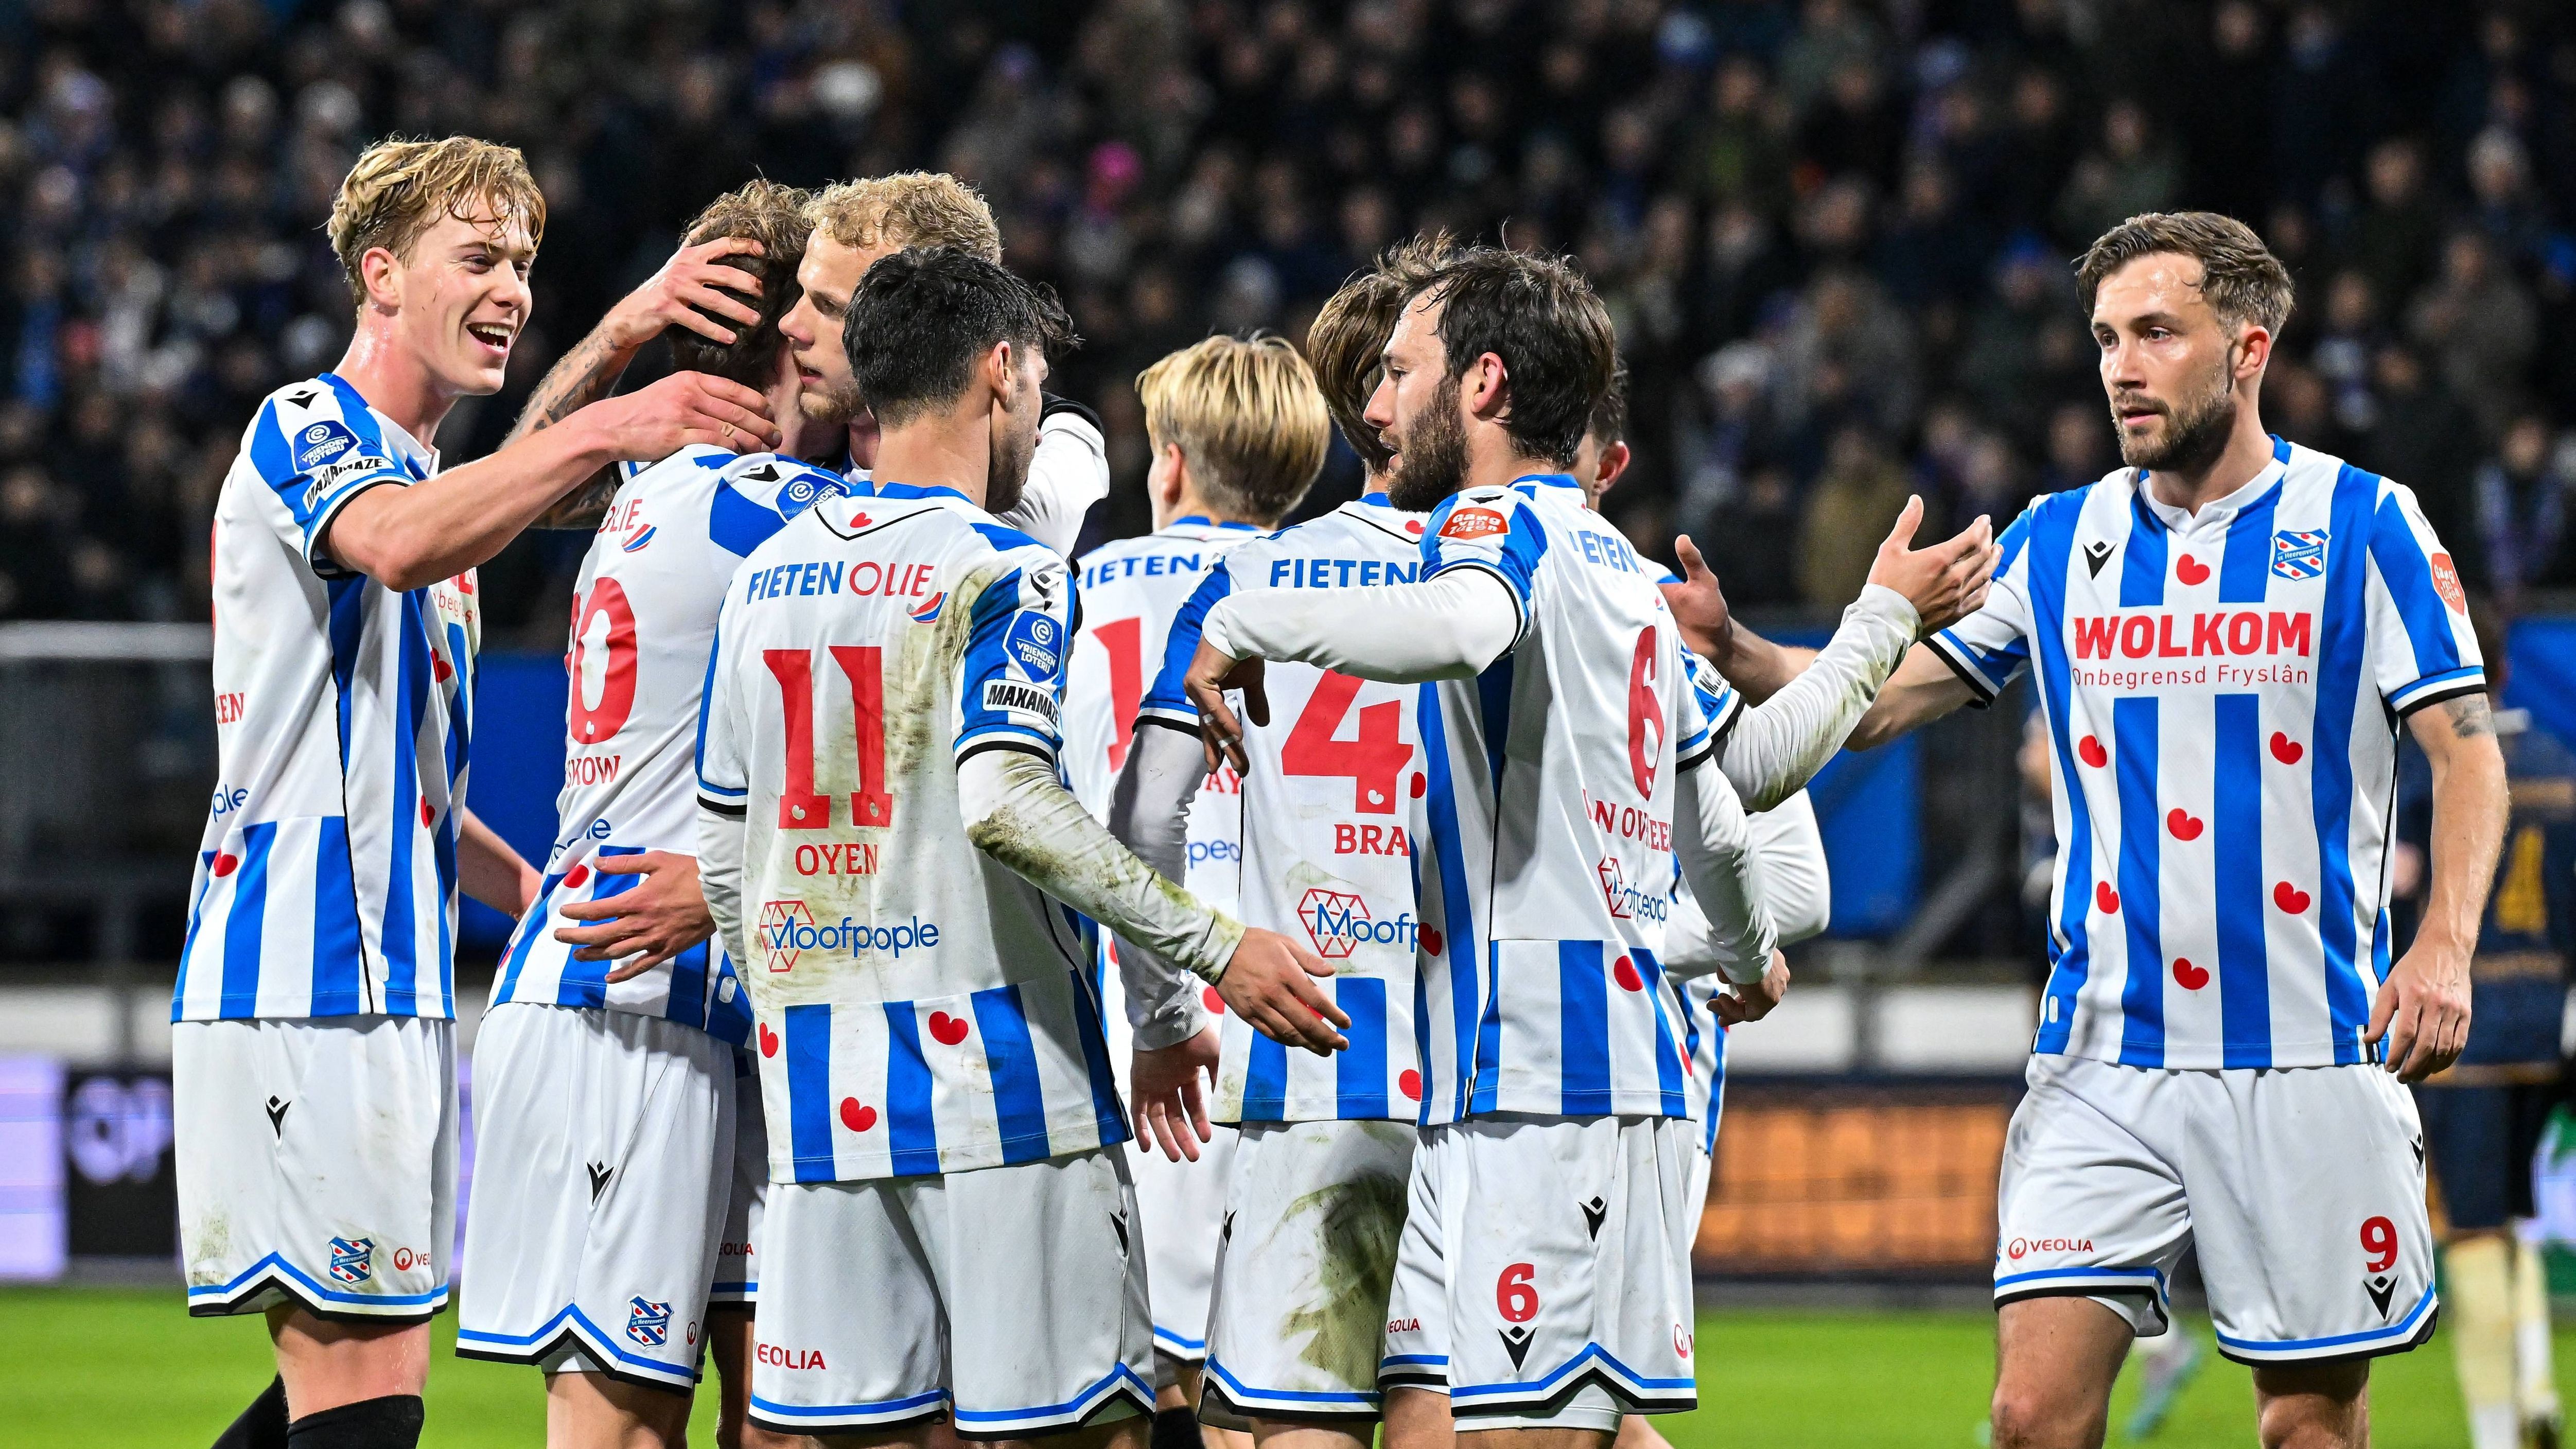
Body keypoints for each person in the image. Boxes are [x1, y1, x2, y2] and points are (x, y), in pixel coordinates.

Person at [1178, 245, 1989, 1446]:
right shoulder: (1622, 574)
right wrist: (1875, 628)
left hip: (1541, 1085)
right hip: (1595, 1080)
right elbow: (1748, 778)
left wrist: (1243, 617)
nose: (1379, 406)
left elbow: (1463, 625)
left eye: (1402, 372)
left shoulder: (1497, 526)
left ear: (1483, 384)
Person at [1812, 211, 2508, 1449]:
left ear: (2248, 350)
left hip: (2308, 1049)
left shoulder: (2368, 524)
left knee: (2305, 1430)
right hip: (2107, 1055)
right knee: (2031, 1417)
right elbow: (1867, 709)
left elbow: (2467, 753)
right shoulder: (2057, 536)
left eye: (2155, 334)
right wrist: (1737, 652)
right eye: (2105, 339)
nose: (2121, 368)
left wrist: (2445, 945)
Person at [176, 135, 779, 1449]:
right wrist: (620, 414)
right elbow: (395, 542)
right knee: (369, 1402)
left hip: (384, 981)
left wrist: (541, 895)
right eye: (480, 257)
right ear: (381, 275)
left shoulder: (431, 486)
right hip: (298, 975)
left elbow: (421, 805)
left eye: (526, 264)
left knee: (340, 1398)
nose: (512, 288)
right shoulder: (307, 424)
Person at [691, 245, 1346, 1445]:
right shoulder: (1006, 571)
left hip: (826, 1098)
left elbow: (728, 863)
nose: (1039, 414)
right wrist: (1216, 946)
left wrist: (801, 1017)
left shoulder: (763, 581)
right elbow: (1005, 799)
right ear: (1000, 371)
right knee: (1089, 1429)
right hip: (1006, 1094)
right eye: (1039, 384)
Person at [452, 179, 844, 1449]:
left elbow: (519, 477)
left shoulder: (660, 481)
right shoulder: (775, 517)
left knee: (786, 1416)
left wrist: (623, 332)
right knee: (622, 1429)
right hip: (622, 992)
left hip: (715, 993)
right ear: (790, 339)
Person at [1060, 333, 1331, 1449]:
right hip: (1297, 1006)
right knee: (1276, 1395)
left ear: (1168, 462)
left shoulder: (1075, 590)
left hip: (1129, 1007)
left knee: (1124, 1388)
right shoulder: (1334, 593)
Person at [515, 170, 1108, 558]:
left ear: (924, 325)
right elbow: (525, 494)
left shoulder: (1050, 453)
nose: (791, 326)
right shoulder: (774, 432)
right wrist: (619, 331)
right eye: (801, 294)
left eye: (830, 308)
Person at [2398, 602, 2571, 1449]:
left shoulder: (2431, 775)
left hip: (2462, 1023)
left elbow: (2398, 882)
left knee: (2470, 1229)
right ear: (2508, 670)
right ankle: (2536, 1377)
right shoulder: (2562, 766)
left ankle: (2497, 1433)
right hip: (2548, 1022)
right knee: (2512, 1212)